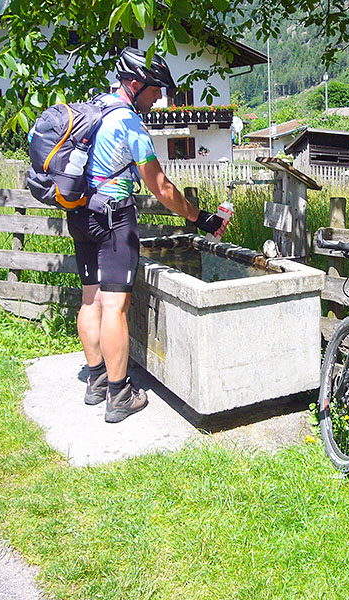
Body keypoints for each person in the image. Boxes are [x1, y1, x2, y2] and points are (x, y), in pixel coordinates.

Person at [69, 48, 227, 423]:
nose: (159, 98)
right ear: (136, 84)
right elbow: (160, 186)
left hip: (81, 214)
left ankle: (95, 380)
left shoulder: (95, 108)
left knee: (90, 299)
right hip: (113, 219)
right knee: (115, 306)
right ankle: (119, 394)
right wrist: (198, 216)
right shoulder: (128, 122)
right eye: (155, 89)